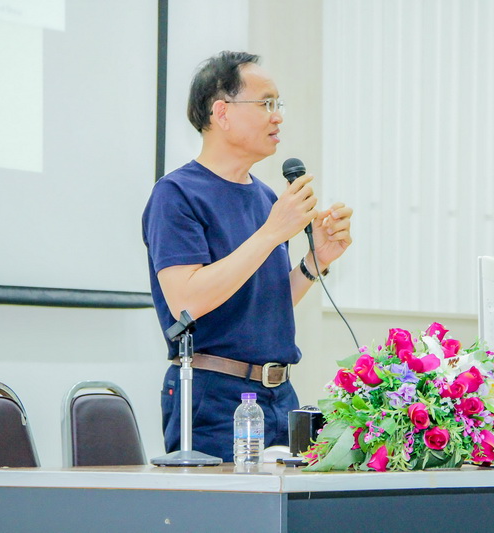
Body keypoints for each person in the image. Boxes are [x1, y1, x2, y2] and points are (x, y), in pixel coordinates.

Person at [142, 51, 353, 462]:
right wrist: (272, 231)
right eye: (266, 103)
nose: (278, 117)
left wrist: (316, 262)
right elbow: (187, 300)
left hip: (279, 394)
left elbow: (264, 304)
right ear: (222, 113)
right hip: (214, 397)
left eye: (279, 104)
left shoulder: (265, 196)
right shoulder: (177, 194)